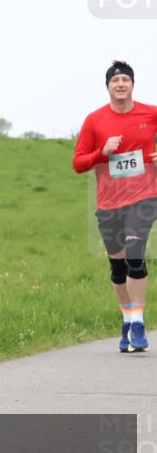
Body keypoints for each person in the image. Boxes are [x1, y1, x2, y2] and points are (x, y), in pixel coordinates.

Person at [74, 60, 157, 353]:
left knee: (136, 256)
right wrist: (102, 152)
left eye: (125, 79)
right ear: (108, 86)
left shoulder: (151, 113)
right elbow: (78, 163)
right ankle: (126, 319)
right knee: (118, 267)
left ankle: (137, 323)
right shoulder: (95, 120)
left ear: (133, 84)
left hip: (144, 196)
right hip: (109, 202)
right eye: (115, 80)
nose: (120, 84)